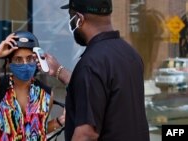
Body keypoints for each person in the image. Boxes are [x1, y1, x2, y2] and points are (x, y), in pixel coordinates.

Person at [44, 0, 150, 140]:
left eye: (71, 16)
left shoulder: (91, 63)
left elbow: (86, 134)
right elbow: (100, 89)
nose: (70, 21)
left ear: (79, 19)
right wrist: (59, 71)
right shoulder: (131, 54)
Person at [0, 31, 65, 140]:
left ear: (36, 60)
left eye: (29, 58)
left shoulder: (46, 94)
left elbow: (37, 130)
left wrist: (60, 121)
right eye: (18, 59)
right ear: (9, 63)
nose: (25, 64)